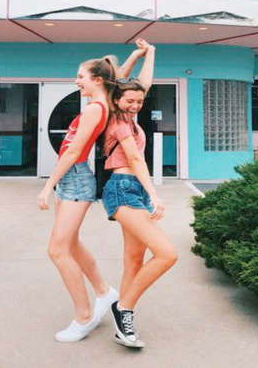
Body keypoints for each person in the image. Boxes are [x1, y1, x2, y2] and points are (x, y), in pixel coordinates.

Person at [36, 44, 148, 342]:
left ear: (96, 80)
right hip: (71, 180)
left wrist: (47, 185)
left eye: (80, 76)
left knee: (57, 250)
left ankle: (84, 316)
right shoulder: (102, 101)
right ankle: (104, 292)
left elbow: (73, 152)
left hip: (74, 179)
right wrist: (135, 56)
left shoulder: (97, 108)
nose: (77, 81)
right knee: (70, 244)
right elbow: (116, 77)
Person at [102, 42, 178, 348]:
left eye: (139, 101)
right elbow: (134, 158)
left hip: (134, 191)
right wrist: (154, 195)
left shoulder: (130, 116)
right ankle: (124, 308)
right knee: (167, 254)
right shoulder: (116, 119)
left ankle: (123, 326)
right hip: (123, 189)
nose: (135, 105)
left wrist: (150, 53)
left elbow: (141, 84)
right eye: (129, 100)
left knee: (134, 261)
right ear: (116, 99)